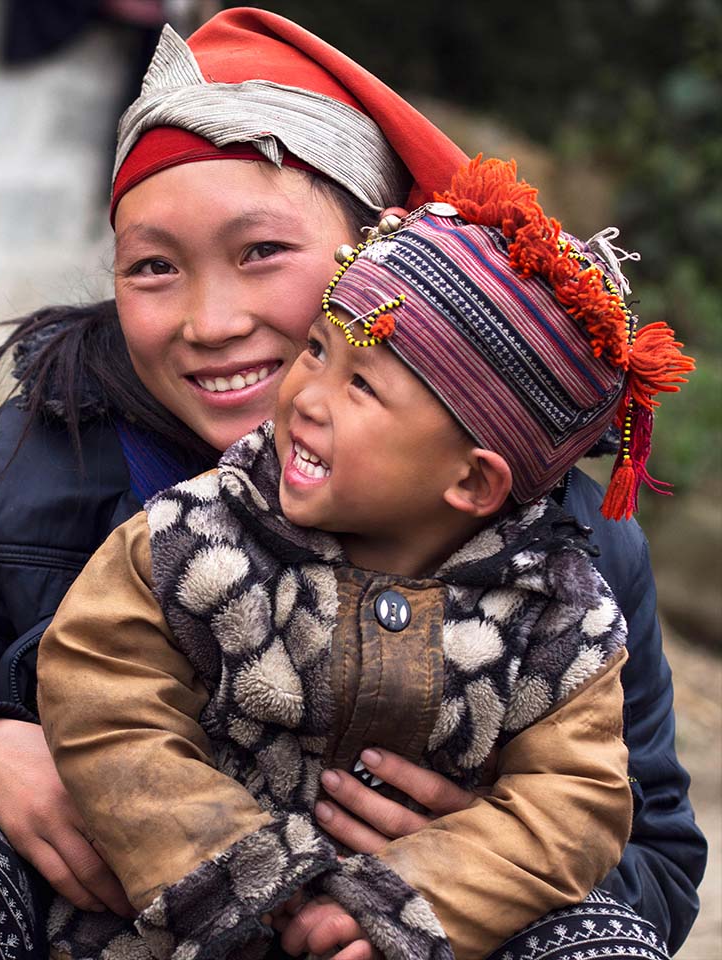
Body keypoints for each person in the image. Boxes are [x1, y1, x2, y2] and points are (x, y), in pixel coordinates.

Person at [0, 8, 704, 960]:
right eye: (152, 268)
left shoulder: (560, 552)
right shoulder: (27, 476)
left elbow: (658, 865)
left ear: (374, 259)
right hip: (97, 935)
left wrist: (480, 856)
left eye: (262, 253)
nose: (211, 322)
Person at [36, 156, 692, 960]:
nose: (307, 395)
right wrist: (235, 875)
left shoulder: (561, 617)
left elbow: (574, 807)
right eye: (317, 349)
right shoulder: (195, 531)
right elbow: (101, 690)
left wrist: (407, 903)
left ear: (472, 479)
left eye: (363, 387)